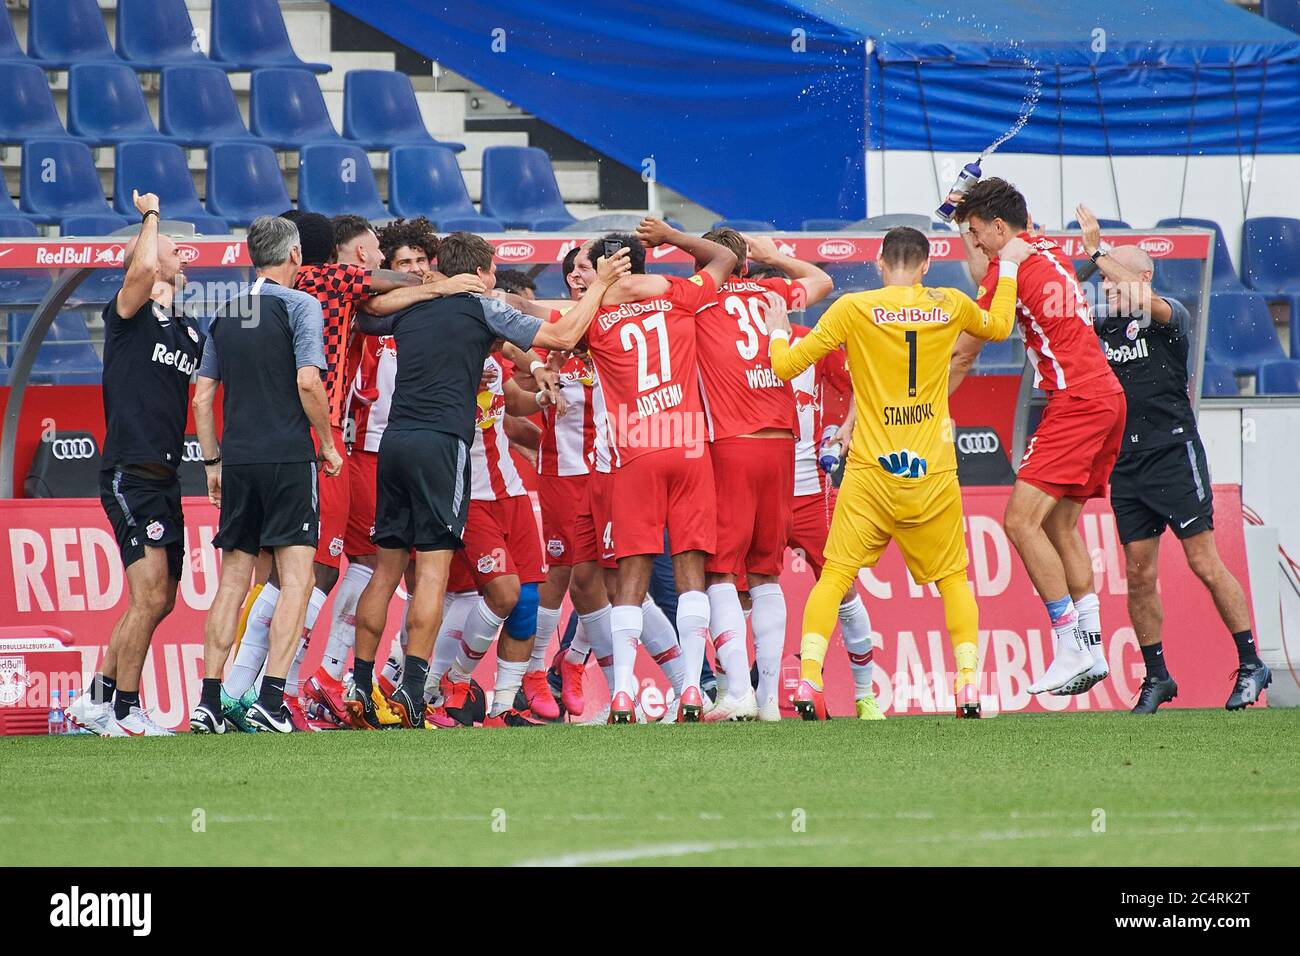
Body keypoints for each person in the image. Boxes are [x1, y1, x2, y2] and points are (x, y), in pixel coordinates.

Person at [344, 233, 630, 729]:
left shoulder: (410, 308)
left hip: (394, 444)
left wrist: (423, 287)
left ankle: (361, 686)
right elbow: (564, 337)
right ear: (483, 273)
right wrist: (600, 284)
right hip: (441, 446)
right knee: (432, 577)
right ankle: (415, 691)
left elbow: (365, 311)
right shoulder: (482, 307)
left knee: (387, 572)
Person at [769, 226, 1028, 719]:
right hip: (930, 470)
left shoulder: (852, 309)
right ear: (926, 265)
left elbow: (786, 366)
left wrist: (780, 328)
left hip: (870, 472)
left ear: (880, 263)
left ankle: (808, 680)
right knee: (953, 580)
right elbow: (998, 326)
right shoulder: (948, 302)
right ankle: (968, 685)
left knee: (834, 578)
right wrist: (1009, 266)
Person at [1076, 205, 1271, 713]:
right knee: (1138, 574)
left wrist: (1098, 250)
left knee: (1203, 561)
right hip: (1126, 463)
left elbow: (1142, 297)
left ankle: (1251, 662)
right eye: (1104, 280)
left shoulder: (1169, 316)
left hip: (1173, 453)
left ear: (1142, 277)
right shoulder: (1104, 328)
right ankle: (1157, 676)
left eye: (1115, 279)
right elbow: (1060, 309)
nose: (1109, 287)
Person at [949, 178, 1126, 696]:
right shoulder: (1046, 248)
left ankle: (1069, 645)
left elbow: (969, 348)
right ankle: (1091, 647)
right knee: (1061, 526)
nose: (975, 244)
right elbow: (989, 259)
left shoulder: (1013, 267)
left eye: (979, 233)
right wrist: (964, 218)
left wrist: (924, 405)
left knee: (1019, 521)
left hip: (1076, 401)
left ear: (1000, 229)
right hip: (1106, 396)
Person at [188, 216, 342, 734]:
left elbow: (203, 396)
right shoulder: (301, 305)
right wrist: (326, 442)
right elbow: (308, 382)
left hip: (238, 460)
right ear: (296, 255)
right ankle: (271, 699)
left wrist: (213, 463)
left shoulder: (226, 311)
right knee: (296, 578)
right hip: (287, 459)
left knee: (233, 579)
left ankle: (209, 700)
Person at [582, 219, 738, 723]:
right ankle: (693, 689)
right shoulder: (678, 296)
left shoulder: (593, 320)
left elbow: (543, 324)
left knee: (631, 577)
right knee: (692, 574)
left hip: (638, 454)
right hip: (689, 447)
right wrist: (671, 234)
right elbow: (724, 259)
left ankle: (624, 693)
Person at [689, 227, 834, 721]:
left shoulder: (698, 303)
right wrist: (780, 258)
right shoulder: (772, 292)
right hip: (783, 448)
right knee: (765, 574)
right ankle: (770, 699)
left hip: (733, 443)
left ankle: (737, 692)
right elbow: (820, 281)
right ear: (746, 263)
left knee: (719, 571)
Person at [69, 192, 200, 738]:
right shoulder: (128, 315)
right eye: (175, 252)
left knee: (162, 598)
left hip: (167, 479)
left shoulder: (190, 331)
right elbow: (143, 265)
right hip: (130, 474)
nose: (182, 258)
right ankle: (126, 710)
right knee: (148, 595)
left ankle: (96, 699)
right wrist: (151, 214)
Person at [784, 320, 880, 719]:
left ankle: (864, 695)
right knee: (740, 590)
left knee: (843, 587)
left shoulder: (811, 340)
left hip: (812, 492)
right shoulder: (726, 335)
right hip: (754, 492)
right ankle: (744, 693)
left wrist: (845, 427)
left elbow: (862, 387)